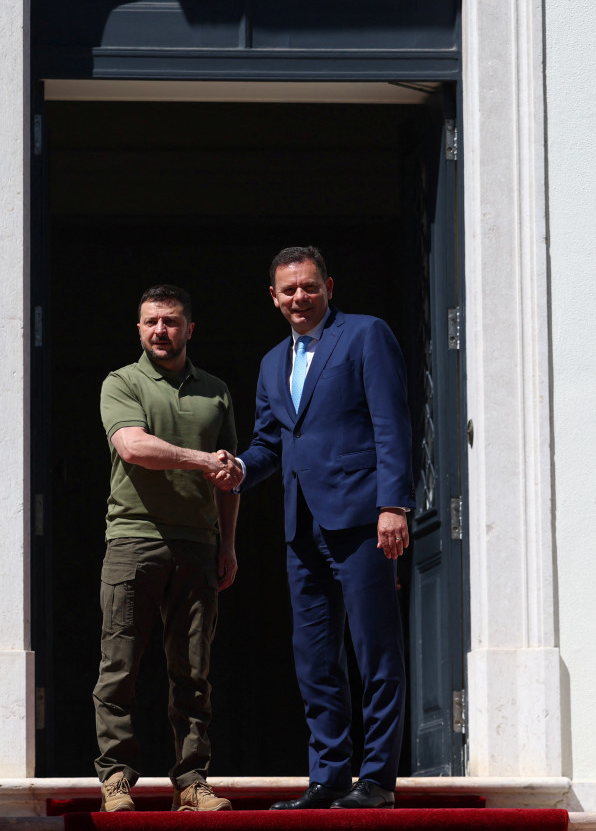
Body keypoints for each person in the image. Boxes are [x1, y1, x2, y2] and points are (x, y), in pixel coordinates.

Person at [221, 246, 413, 810]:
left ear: (329, 286)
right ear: (273, 297)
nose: (299, 298)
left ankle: (375, 780)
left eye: (309, 287)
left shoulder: (364, 335)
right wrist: (234, 470)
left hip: (361, 520)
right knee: (314, 659)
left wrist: (394, 505)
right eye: (289, 290)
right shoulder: (270, 362)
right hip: (300, 529)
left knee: (375, 652)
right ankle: (328, 778)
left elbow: (391, 423)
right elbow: (269, 445)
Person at [93, 284, 241, 813]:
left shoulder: (216, 391)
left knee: (193, 673)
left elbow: (230, 479)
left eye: (172, 321)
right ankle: (116, 779)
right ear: (139, 328)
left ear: (189, 329)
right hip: (133, 539)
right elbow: (133, 446)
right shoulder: (122, 382)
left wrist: (228, 544)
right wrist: (204, 460)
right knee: (121, 665)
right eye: (152, 321)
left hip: (198, 546)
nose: (161, 330)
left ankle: (192, 782)